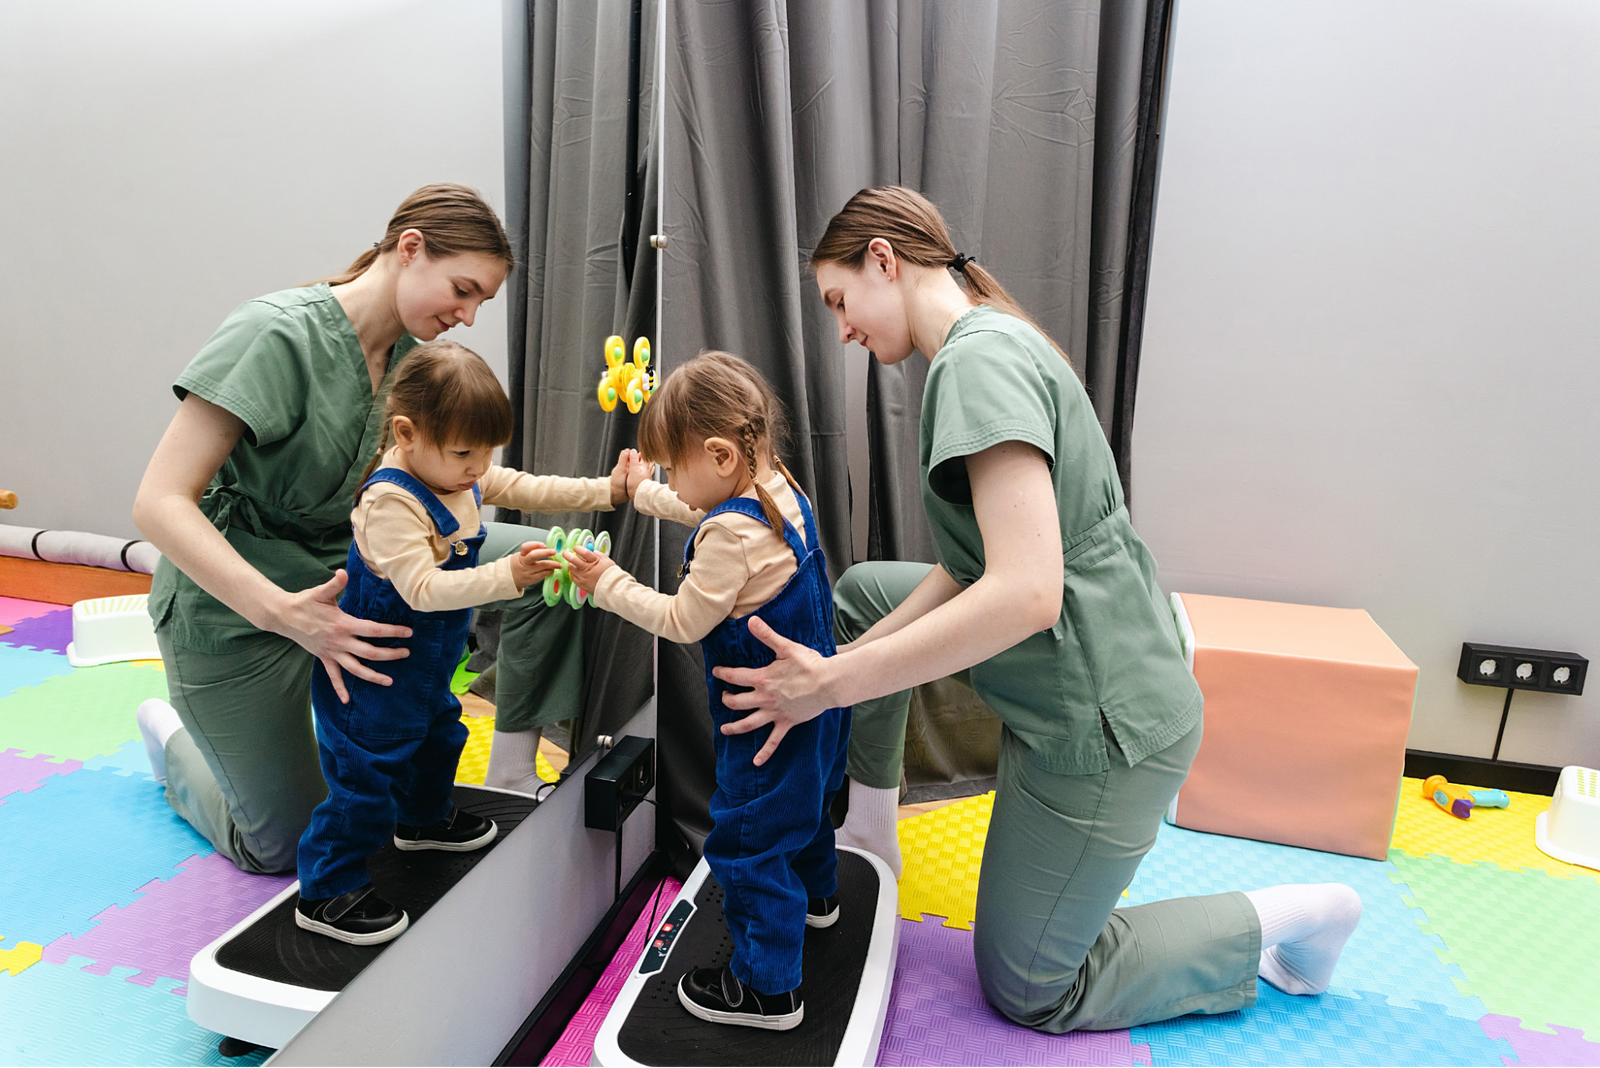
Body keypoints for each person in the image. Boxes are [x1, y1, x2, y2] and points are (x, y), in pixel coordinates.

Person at [706, 186, 1363, 1034]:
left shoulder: (977, 362)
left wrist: (829, 689)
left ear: (883, 258)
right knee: (867, 593)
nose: (842, 331)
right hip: (1085, 667)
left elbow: (1025, 591)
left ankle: (1298, 915)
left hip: (1101, 726)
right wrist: (838, 671)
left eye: (839, 301)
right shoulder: (981, 347)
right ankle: (870, 826)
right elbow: (967, 566)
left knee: (1030, 988)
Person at [132, 183, 608, 877]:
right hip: (238, 604)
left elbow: (472, 483)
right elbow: (157, 502)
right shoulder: (275, 333)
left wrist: (609, 490)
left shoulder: (417, 367)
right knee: (281, 847)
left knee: (554, 568)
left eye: (482, 302)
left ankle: (507, 778)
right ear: (409, 248)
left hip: (356, 570)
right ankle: (175, 747)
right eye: (464, 289)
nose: (469, 316)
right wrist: (287, 616)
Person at [294, 340, 637, 943]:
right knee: (364, 778)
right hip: (375, 674)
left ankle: (422, 821)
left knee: (439, 739)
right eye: (464, 453)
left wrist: (604, 491)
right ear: (407, 432)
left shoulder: (454, 471)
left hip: (426, 669)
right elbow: (423, 589)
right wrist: (509, 576)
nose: (479, 468)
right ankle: (326, 890)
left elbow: (529, 487)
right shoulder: (392, 501)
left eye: (486, 453)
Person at [565, 352, 848, 1032]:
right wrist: (644, 494)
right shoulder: (778, 487)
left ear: (721, 454)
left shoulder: (727, 535)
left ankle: (766, 989)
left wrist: (608, 583)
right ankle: (817, 901)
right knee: (801, 810)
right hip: (818, 703)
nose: (671, 483)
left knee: (750, 839)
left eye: (672, 467)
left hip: (761, 720)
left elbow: (682, 619)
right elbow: (698, 502)